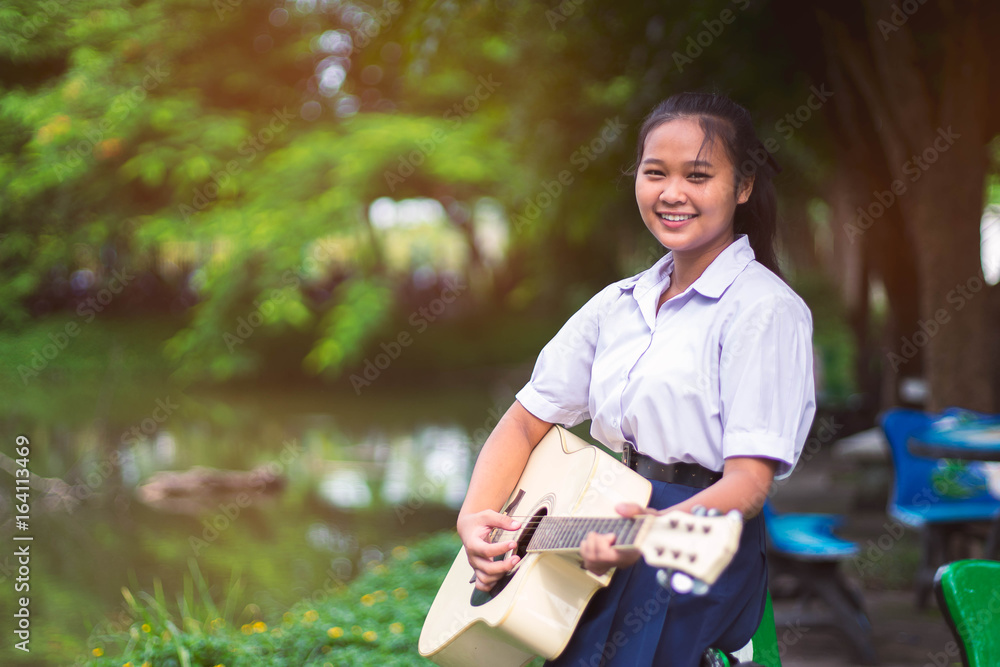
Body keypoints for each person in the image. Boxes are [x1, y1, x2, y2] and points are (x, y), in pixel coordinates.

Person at [456, 91, 817, 667]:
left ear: (743, 186)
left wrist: (649, 533)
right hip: (610, 512)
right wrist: (475, 517)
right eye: (656, 173)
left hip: (701, 539)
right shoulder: (615, 306)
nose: (672, 193)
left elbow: (748, 484)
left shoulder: (765, 310)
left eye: (698, 175)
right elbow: (525, 423)